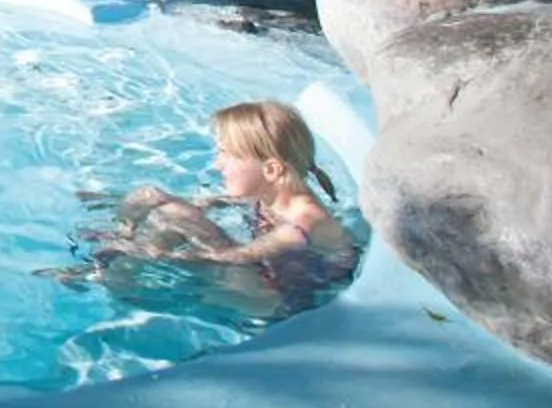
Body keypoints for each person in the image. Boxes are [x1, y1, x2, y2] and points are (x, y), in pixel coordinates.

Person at [98, 100, 359, 306]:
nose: (218, 164)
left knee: (173, 215)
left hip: (278, 303)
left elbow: (234, 257)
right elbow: (209, 205)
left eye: (226, 155)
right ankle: (118, 245)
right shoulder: (275, 192)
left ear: (271, 170)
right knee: (149, 195)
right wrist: (190, 206)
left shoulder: (304, 221)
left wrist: (161, 255)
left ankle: (116, 272)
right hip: (263, 276)